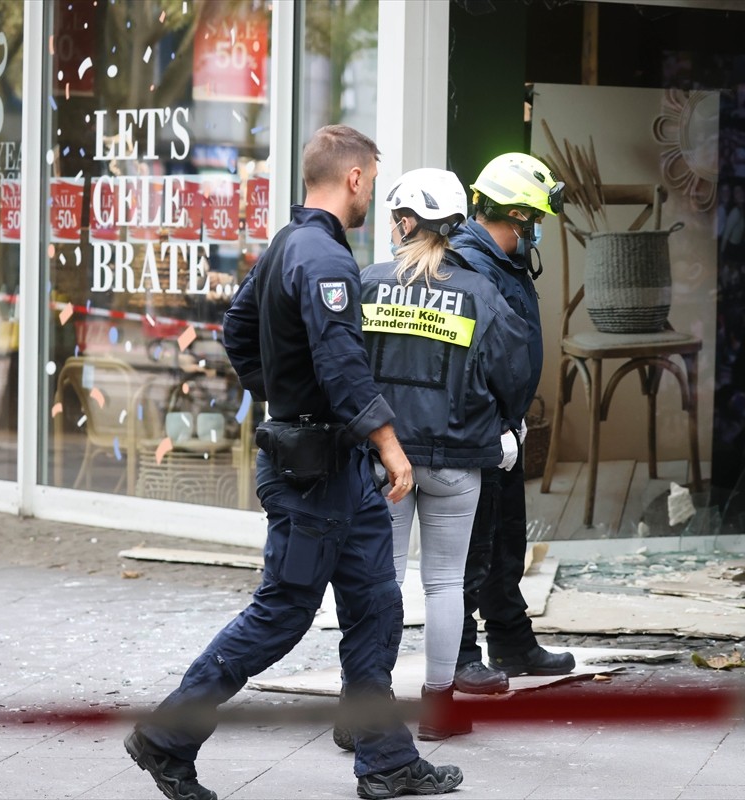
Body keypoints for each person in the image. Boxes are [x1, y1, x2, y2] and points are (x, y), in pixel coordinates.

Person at [123, 126, 462, 800]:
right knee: (281, 614)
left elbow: (236, 329)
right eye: (370, 177)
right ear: (355, 179)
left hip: (334, 470)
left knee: (375, 605)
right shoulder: (325, 259)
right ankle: (166, 737)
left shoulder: (288, 245)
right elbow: (342, 367)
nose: (371, 193)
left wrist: (277, 392)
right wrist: (388, 446)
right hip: (314, 476)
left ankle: (388, 762)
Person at [354, 167, 534, 740]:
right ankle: (439, 709)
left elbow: (344, 368)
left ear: (408, 222)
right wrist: (506, 429)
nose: (389, 226)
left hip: (387, 461)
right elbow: (514, 372)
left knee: (378, 582)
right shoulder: (480, 291)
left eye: (394, 217)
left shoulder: (369, 282)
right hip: (458, 462)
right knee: (444, 584)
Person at [448, 153, 576, 694]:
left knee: (504, 543)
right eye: (536, 221)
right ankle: (457, 656)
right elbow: (465, 357)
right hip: (476, 430)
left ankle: (511, 640)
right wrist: (491, 422)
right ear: (516, 216)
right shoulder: (468, 265)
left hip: (503, 427)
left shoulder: (501, 261)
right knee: (470, 552)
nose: (539, 231)